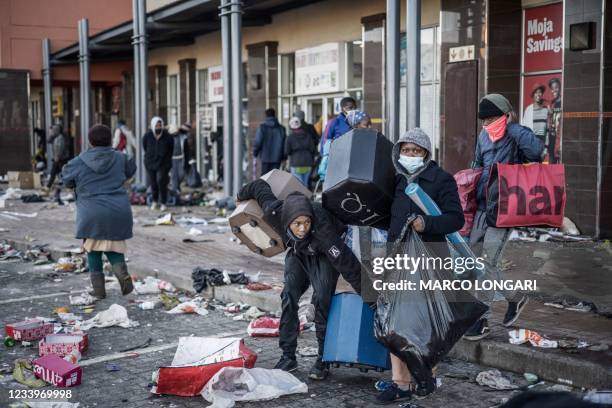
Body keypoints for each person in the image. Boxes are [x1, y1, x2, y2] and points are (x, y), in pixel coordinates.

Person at [237, 179, 363, 380]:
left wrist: (372, 297)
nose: (302, 228)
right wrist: (240, 195)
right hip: (299, 254)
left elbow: (349, 266)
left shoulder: (323, 231)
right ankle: (288, 356)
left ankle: (323, 359)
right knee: (288, 295)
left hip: (324, 256)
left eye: (306, 223)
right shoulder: (275, 212)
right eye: (297, 224)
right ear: (287, 221)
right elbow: (259, 186)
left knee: (322, 299)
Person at [376, 128, 464, 404]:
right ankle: (400, 383)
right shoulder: (396, 180)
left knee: (426, 325)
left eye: (416, 151)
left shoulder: (441, 180)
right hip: (398, 259)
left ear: (426, 154)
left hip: (432, 260)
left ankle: (426, 377)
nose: (410, 155)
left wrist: (427, 223)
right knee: (395, 324)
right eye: (406, 150)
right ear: (398, 152)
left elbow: (456, 219)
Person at [466, 93, 545, 340]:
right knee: (472, 261)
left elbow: (537, 152)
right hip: (481, 206)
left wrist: (511, 127)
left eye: (491, 118)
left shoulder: (516, 133)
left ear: (506, 115)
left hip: (504, 209)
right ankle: (514, 297)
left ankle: (481, 319)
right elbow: (476, 164)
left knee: (488, 262)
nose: (486, 123)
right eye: (484, 119)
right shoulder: (483, 136)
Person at [61, 124, 136, 299]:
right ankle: (124, 278)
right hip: (118, 210)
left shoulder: (79, 161)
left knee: (93, 249)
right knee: (114, 245)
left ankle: (99, 290)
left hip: (91, 212)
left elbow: (66, 179)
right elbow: (130, 171)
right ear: (110, 140)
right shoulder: (121, 158)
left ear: (90, 141)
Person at [143, 117, 173, 211]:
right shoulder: (147, 136)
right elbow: (145, 146)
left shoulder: (168, 136)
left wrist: (167, 162)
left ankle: (163, 202)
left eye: (160, 125)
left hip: (163, 163)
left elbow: (170, 150)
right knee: (153, 183)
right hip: (150, 163)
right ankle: (155, 201)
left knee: (161, 181)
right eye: (156, 125)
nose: (158, 127)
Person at [285, 117, 316, 187]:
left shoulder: (290, 138)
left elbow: (287, 151)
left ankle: (301, 197)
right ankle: (306, 197)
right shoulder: (308, 136)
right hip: (308, 164)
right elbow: (313, 149)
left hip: (296, 164)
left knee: (298, 186)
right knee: (305, 185)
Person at [254, 108, 286, 175]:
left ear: (266, 115)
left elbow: (258, 142)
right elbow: (284, 145)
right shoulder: (281, 128)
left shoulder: (262, 128)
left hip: (265, 158)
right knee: (274, 177)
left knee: (265, 179)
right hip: (277, 158)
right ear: (274, 115)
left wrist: (255, 153)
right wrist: (284, 157)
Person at [45, 124, 71, 204]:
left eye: (53, 130)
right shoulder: (55, 137)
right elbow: (48, 141)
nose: (51, 132)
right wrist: (51, 134)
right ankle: (49, 187)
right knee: (55, 173)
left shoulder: (60, 138)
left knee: (60, 173)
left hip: (60, 159)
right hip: (58, 159)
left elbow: (60, 148)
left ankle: (50, 187)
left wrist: (57, 157)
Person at [521, 83, 550, 152]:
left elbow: (548, 131)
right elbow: (524, 129)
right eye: (536, 92)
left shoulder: (546, 110)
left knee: (540, 162)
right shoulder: (528, 109)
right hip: (531, 143)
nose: (538, 94)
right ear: (533, 95)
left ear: (542, 94)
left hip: (541, 144)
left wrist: (546, 148)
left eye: (540, 92)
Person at [170, 122, 191, 197]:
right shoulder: (170, 138)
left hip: (181, 157)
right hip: (172, 158)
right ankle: (175, 190)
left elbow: (186, 149)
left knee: (181, 174)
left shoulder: (182, 137)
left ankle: (176, 187)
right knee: (174, 175)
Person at [548, 78, 562, 163]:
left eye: (556, 87)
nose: (554, 90)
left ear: (560, 88)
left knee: (560, 167)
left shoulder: (565, 102)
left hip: (561, 139)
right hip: (552, 139)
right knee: (551, 166)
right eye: (552, 89)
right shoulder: (551, 104)